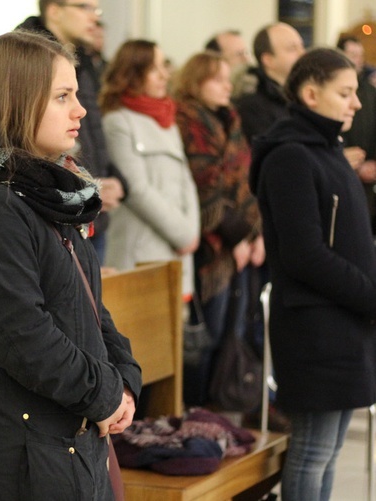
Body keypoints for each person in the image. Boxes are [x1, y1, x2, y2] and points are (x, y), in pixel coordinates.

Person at [0, 30, 142, 500]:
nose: (80, 110)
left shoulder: (46, 191)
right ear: (15, 102)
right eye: (62, 97)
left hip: (63, 443)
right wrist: (104, 394)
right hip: (13, 458)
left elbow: (88, 307)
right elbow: (22, 336)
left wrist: (126, 381)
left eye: (76, 94)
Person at [249, 47, 376, 501]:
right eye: (345, 93)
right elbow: (305, 255)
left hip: (343, 321)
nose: (356, 103)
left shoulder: (327, 150)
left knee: (331, 449)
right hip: (314, 325)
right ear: (310, 93)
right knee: (312, 451)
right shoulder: (291, 157)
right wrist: (370, 294)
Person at [173, 51, 262, 406]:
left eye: (229, 78)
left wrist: (254, 234)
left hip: (238, 240)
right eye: (218, 79)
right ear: (197, 81)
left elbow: (244, 180)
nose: (228, 86)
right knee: (205, 338)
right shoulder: (187, 119)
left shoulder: (229, 119)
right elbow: (204, 188)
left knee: (233, 332)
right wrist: (240, 237)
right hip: (210, 243)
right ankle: (197, 410)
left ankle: (220, 410)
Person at [18, 0, 127, 262]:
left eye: (96, 9)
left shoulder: (82, 62)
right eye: (84, 7)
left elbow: (91, 133)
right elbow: (29, 143)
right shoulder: (28, 59)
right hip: (58, 211)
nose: (94, 17)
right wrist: (90, 186)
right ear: (55, 10)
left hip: (89, 210)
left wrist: (112, 179)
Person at [99, 39, 200, 297]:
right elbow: (136, 189)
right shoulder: (117, 120)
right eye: (154, 69)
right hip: (141, 251)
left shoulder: (168, 120)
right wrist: (183, 234)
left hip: (177, 250)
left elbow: (186, 180)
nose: (164, 75)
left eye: (164, 66)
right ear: (133, 73)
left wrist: (191, 232)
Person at [234, 22, 305, 143]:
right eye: (292, 49)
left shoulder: (302, 93)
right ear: (268, 60)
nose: (302, 53)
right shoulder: (251, 104)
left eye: (302, 46)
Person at [337, 35, 376, 235]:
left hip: (371, 176)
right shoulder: (333, 92)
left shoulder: (371, 90)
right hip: (344, 172)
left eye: (360, 55)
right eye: (352, 54)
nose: (357, 60)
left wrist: (373, 162)